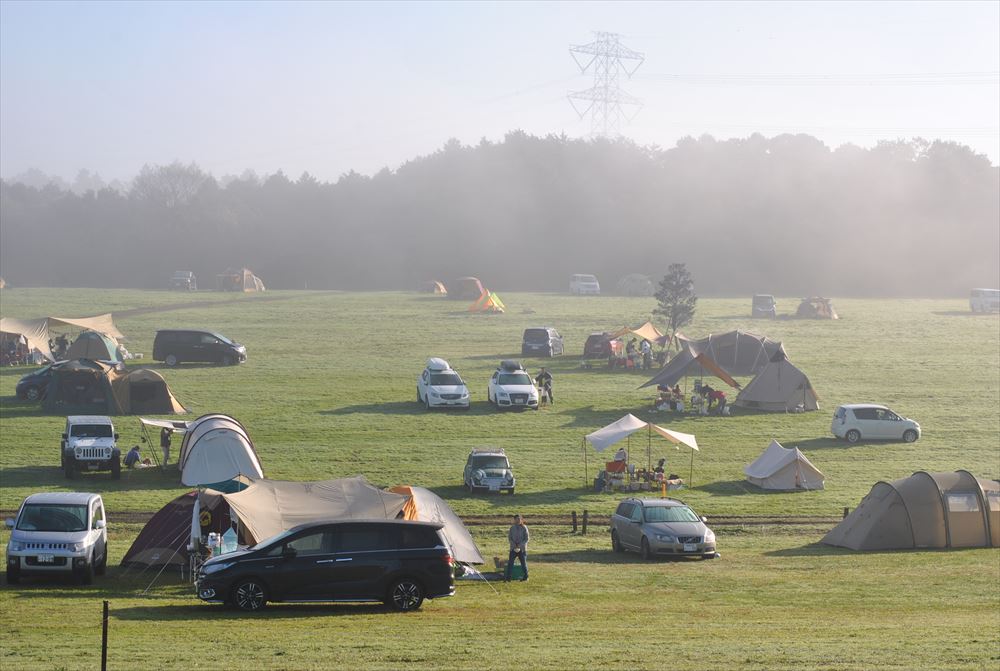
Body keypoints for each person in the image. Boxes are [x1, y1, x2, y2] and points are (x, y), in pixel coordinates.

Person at [504, 514, 529, 582]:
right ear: (514, 520)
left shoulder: (524, 528)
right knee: (510, 563)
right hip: (513, 549)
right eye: (516, 519)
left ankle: (525, 577)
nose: (518, 520)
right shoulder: (512, 528)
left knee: (523, 564)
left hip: (522, 549)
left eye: (519, 519)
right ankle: (508, 578)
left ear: (521, 520)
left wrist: (520, 545)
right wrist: (514, 544)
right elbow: (509, 538)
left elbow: (527, 539)